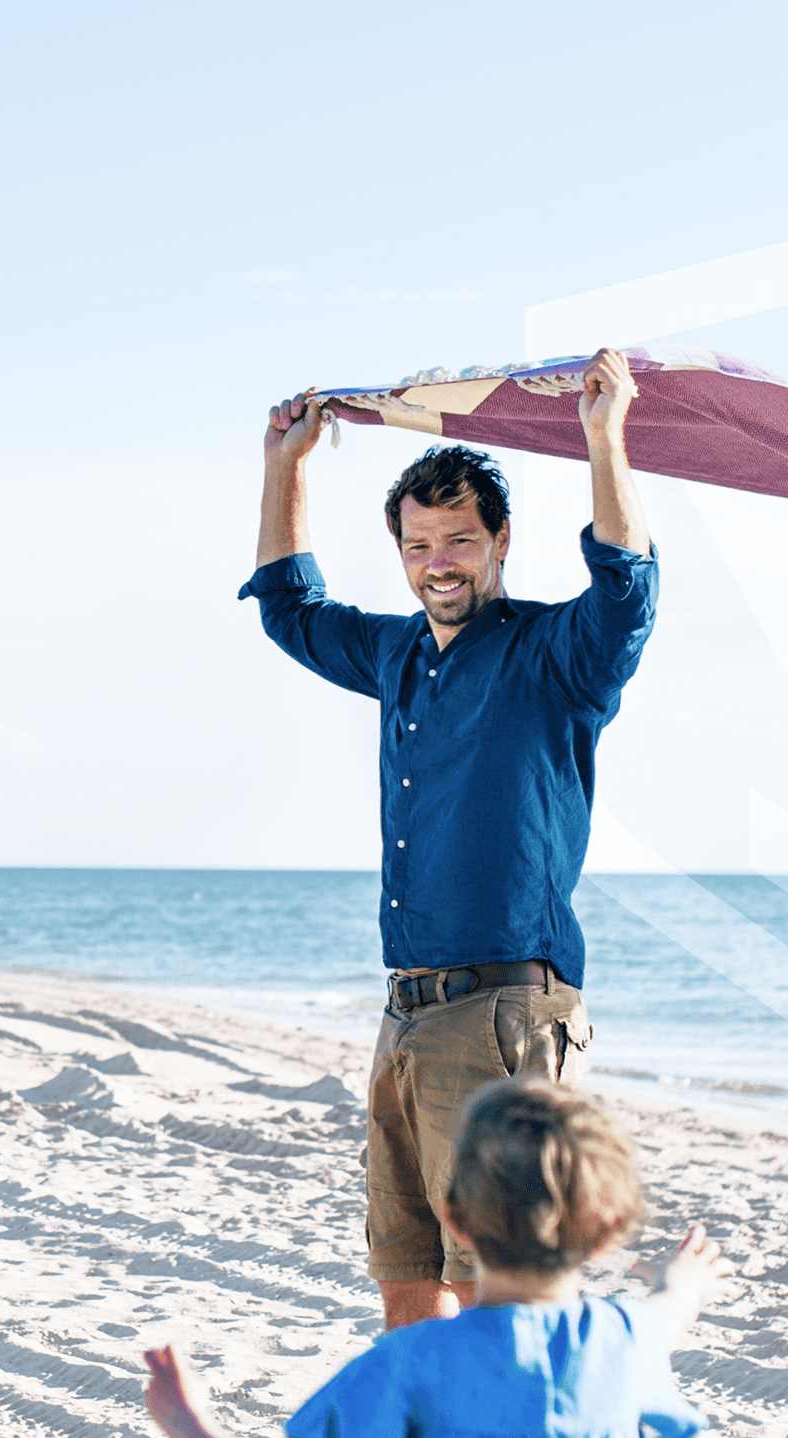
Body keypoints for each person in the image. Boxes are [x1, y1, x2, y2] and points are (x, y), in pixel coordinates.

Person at [242, 349, 658, 1331]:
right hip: (407, 1018)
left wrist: (605, 440)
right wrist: (284, 467)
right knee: (407, 1283)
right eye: (420, 543)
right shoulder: (396, 655)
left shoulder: (555, 656)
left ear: (501, 539)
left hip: (507, 1018)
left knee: (498, 1301)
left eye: (461, 540)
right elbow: (289, 611)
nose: (440, 562)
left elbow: (627, 593)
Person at [143, 1078, 732, 1438]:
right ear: (608, 1236)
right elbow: (670, 1310)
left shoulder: (408, 1359)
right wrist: (684, 1278)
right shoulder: (626, 1337)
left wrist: (188, 1422)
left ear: (452, 1218)